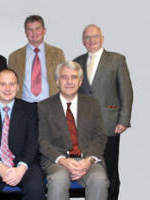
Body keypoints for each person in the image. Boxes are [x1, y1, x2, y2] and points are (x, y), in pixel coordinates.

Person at [74, 24, 133, 200]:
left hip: (110, 124)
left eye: (94, 36)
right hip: (85, 127)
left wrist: (124, 119)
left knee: (110, 168)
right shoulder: (77, 62)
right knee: (91, 169)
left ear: (102, 38)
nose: (91, 40)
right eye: (87, 38)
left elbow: (126, 91)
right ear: (83, 41)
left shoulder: (117, 60)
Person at [38, 61, 109, 200]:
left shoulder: (92, 104)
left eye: (74, 77)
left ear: (80, 81)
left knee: (99, 179)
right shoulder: (44, 106)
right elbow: (42, 140)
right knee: (58, 180)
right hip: (57, 160)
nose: (69, 81)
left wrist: (88, 160)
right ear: (57, 81)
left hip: (88, 159)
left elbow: (100, 137)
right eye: (64, 77)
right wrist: (63, 160)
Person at [0, 69, 45, 200]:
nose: (7, 88)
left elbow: (33, 143)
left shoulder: (30, 109)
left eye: (11, 84)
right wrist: (1, 167)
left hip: (23, 162)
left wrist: (21, 168)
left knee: (36, 186)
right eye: (2, 84)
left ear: (17, 87)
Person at [8, 15, 65, 103]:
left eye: (37, 28)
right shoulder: (14, 57)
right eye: (30, 29)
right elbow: (10, 84)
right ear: (25, 32)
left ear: (44, 30)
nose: (34, 33)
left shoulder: (58, 54)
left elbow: (63, 80)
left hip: (51, 104)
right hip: (24, 105)